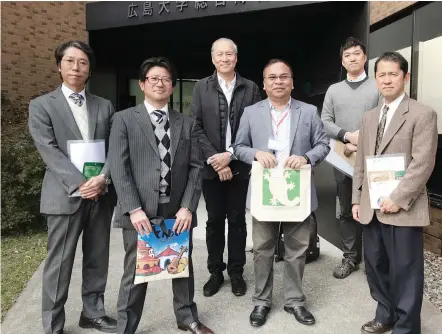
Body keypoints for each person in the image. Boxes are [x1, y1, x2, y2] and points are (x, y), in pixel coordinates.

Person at [109, 57, 213, 334]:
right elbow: (119, 167)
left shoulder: (186, 122)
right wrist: (133, 208)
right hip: (140, 210)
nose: (160, 83)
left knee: (181, 264)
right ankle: (125, 327)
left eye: (166, 79)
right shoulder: (123, 120)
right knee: (136, 268)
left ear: (172, 86)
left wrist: (188, 207)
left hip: (176, 208)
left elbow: (195, 167)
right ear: (142, 84)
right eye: (153, 79)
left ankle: (187, 317)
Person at [233, 59, 330, 328]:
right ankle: (261, 301)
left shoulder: (308, 112)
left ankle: (295, 301)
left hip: (296, 189)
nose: (278, 82)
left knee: (297, 249)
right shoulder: (251, 113)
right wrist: (255, 153)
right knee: (262, 249)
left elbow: (323, 145)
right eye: (272, 78)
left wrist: (307, 157)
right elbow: (238, 146)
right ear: (264, 85)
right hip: (265, 191)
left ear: (292, 82)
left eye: (284, 77)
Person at [28, 40, 117, 334]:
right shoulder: (41, 106)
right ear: (59, 66)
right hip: (65, 195)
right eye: (70, 61)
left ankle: (93, 312)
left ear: (89, 69)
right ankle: (53, 324)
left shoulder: (104, 106)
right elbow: (49, 150)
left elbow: (115, 148)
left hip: (100, 194)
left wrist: (103, 178)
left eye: (83, 62)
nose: (76, 68)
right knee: (59, 263)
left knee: (97, 257)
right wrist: (81, 184)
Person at [352, 51, 438, 334]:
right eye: (382, 75)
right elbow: (361, 161)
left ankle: (407, 327)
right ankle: (385, 314)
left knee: (406, 271)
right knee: (375, 266)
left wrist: (397, 199)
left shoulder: (422, 114)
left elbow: (423, 163)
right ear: (375, 79)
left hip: (403, 207)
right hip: (371, 206)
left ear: (406, 77)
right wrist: (356, 198)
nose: (387, 80)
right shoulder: (369, 117)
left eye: (393, 74)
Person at [190, 38, 261, 298]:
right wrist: (215, 159)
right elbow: (194, 126)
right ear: (212, 59)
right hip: (211, 168)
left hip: (239, 164)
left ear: (236, 57)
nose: (224, 59)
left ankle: (236, 271)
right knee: (215, 220)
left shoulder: (250, 87)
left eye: (229, 54)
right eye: (219, 55)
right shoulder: (201, 87)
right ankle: (216, 271)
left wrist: (229, 156)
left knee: (238, 220)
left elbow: (255, 125)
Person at [321, 37, 381, 279]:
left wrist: (362, 136)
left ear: (365, 57)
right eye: (347, 55)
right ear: (342, 60)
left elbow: (384, 117)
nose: (353, 58)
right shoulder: (334, 90)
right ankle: (350, 257)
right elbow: (324, 121)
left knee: (374, 209)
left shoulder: (378, 86)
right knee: (346, 209)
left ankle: (375, 261)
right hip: (344, 160)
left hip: (373, 160)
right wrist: (346, 135)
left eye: (357, 53)